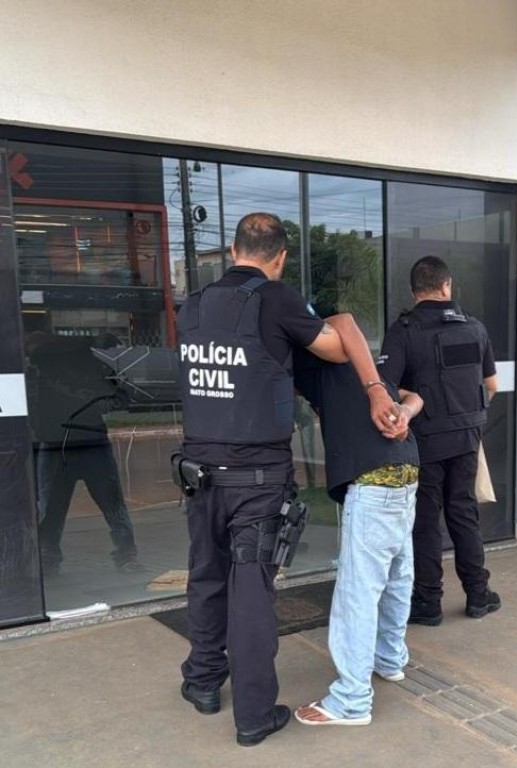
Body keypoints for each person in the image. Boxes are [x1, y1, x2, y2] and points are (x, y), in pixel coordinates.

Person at [175, 212, 398, 747]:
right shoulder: (276, 299)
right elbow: (337, 348)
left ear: (233, 250)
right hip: (257, 480)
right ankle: (253, 714)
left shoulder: (192, 305)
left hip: (199, 473)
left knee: (206, 575)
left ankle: (203, 681)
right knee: (251, 591)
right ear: (279, 257)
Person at [291, 314, 422, 726]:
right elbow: (415, 395)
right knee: (398, 574)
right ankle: (390, 658)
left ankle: (351, 700)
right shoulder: (365, 365)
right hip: (405, 473)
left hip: (372, 480)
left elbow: (344, 320)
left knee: (357, 592)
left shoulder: (323, 356)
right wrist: (402, 412)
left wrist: (380, 398)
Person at [378, 256, 500, 626]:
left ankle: (428, 602)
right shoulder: (474, 328)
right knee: (464, 512)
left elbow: (383, 387)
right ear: (447, 286)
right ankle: (478, 594)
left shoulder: (403, 331)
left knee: (426, 520)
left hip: (425, 439)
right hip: (467, 436)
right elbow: (491, 386)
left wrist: (412, 401)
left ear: (414, 291)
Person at [25, 328, 141, 575]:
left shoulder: (89, 365)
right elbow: (34, 344)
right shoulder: (45, 359)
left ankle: (126, 553)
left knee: (111, 504)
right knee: (52, 508)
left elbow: (120, 395)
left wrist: (104, 397)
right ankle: (49, 557)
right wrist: (89, 341)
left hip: (86, 441)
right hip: (59, 443)